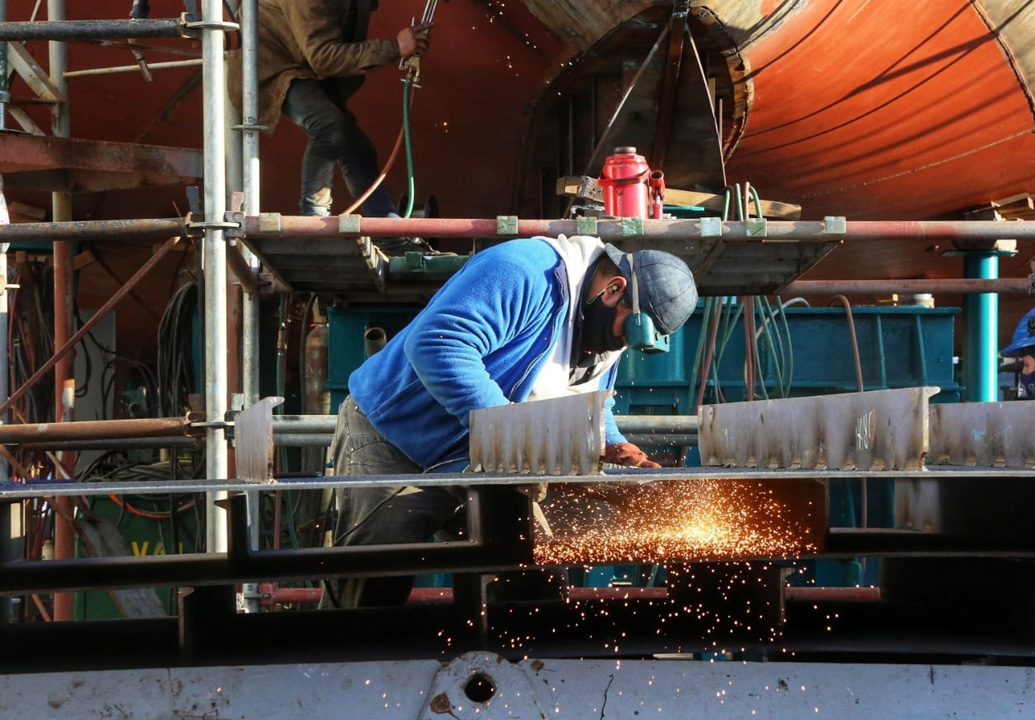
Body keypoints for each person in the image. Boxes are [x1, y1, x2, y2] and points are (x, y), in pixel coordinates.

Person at [324, 234, 698, 607]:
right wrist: (510, 437)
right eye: (629, 331)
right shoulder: (523, 271)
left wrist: (612, 443)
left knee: (528, 573)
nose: (624, 344)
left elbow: (582, 396)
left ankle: (513, 664)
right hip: (395, 434)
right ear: (614, 290)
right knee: (372, 588)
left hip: (475, 455)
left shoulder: (600, 325)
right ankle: (333, 665)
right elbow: (438, 344)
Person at [228, 0, 429, 222]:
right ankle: (314, 218)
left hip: (307, 63)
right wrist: (395, 47)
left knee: (357, 147)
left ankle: (391, 233)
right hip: (271, 66)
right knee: (330, 127)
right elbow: (323, 57)